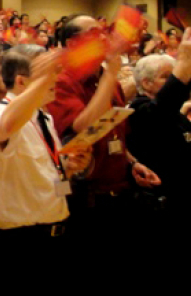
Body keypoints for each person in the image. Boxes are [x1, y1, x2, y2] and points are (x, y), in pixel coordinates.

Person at [48, 15, 160, 294]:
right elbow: (83, 127)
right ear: (73, 43)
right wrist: (111, 72)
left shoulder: (104, 77)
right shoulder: (63, 81)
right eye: (93, 32)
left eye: (103, 31)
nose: (103, 37)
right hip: (86, 202)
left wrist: (133, 162)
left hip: (119, 195)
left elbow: (114, 131)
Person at [0, 49, 91, 296]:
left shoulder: (43, 118)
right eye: (51, 76)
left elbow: (39, 177)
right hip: (17, 246)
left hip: (52, 237)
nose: (56, 82)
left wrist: (68, 170)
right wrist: (41, 79)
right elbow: (8, 125)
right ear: (21, 81)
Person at [127, 37, 191, 281]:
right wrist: (183, 64)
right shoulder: (139, 110)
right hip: (159, 214)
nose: (176, 82)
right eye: (168, 77)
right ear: (146, 82)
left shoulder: (176, 114)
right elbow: (160, 111)